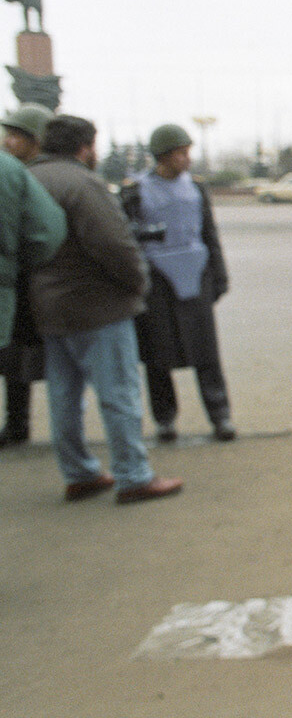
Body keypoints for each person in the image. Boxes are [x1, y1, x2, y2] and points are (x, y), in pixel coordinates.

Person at [27, 114, 182, 504]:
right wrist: (138, 283)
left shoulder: (28, 180)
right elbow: (114, 245)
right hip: (97, 307)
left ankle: (79, 473)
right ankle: (134, 476)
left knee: (64, 396)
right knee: (118, 394)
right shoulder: (82, 183)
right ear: (85, 147)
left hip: (47, 306)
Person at [120, 124, 235, 442]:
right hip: (156, 280)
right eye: (181, 153)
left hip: (196, 275)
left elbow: (210, 234)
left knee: (206, 351)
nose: (187, 159)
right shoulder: (135, 190)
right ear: (163, 157)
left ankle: (220, 415)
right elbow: (125, 237)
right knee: (158, 354)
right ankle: (165, 419)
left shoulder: (196, 188)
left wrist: (220, 274)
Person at [0, 102, 55, 447]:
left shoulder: (41, 177)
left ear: (38, 141)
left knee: (29, 356)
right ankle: (16, 424)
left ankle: (21, 425)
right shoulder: (12, 173)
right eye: (8, 134)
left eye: (17, 136)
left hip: (34, 281)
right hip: (17, 280)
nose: (8, 142)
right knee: (12, 356)